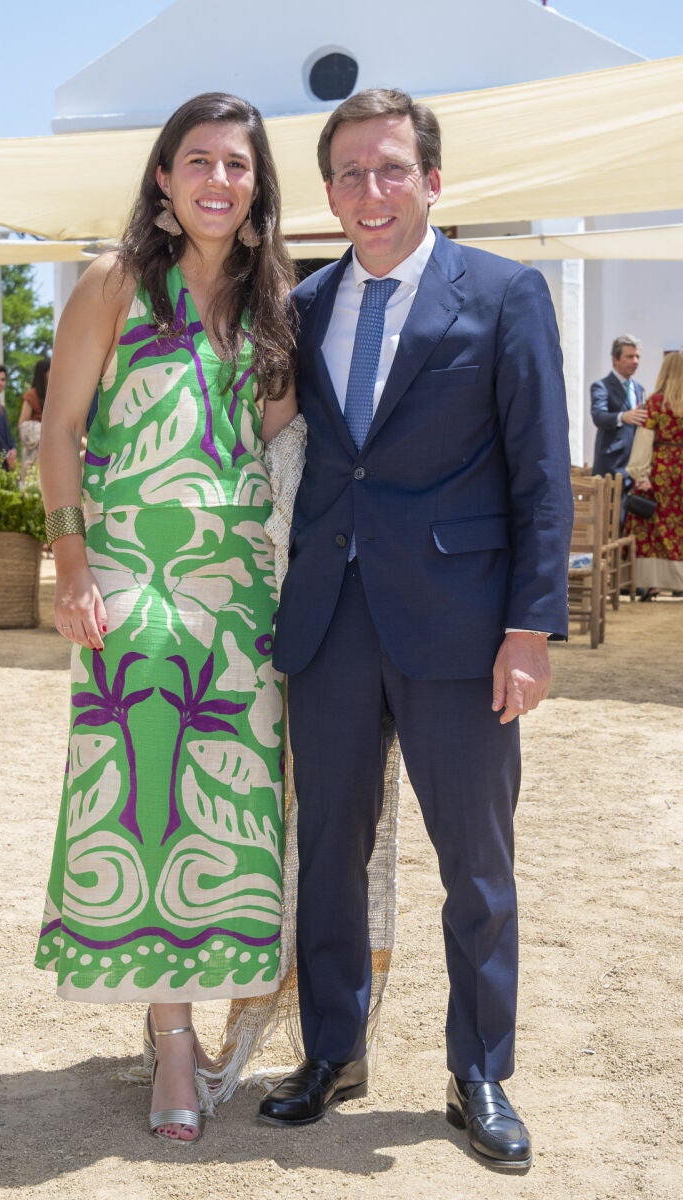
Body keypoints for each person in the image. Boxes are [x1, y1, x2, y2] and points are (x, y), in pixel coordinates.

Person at [258, 89, 573, 1172]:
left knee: (474, 864)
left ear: (431, 180)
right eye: (347, 173)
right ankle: (330, 1053)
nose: (369, 191)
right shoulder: (298, 306)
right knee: (327, 854)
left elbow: (539, 476)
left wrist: (528, 626)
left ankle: (477, 1070)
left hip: (460, 629)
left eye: (389, 168)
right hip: (329, 627)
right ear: (329, 192)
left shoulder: (502, 292)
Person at [34, 92, 297, 1144]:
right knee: (140, 807)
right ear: (162, 176)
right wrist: (69, 565)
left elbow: (282, 445)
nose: (217, 181)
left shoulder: (273, 299)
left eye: (237, 165)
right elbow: (58, 433)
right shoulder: (111, 283)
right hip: (131, 573)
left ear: (254, 184)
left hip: (238, 588)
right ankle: (170, 1041)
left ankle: (216, 1008)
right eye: (198, 161)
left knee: (229, 811)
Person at [624, 350, 683, 599]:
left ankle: (653, 583)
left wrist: (640, 474)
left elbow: (644, 442)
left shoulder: (656, 403)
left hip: (661, 471)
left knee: (652, 527)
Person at [590, 336, 647, 481]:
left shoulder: (639, 389)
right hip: (611, 467)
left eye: (637, 357)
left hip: (634, 468)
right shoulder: (601, 387)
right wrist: (623, 417)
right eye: (629, 356)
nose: (635, 361)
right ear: (615, 359)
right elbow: (598, 416)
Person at [18, 355, 50, 479]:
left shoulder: (55, 394)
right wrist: (46, 430)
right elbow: (23, 423)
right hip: (35, 450)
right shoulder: (31, 395)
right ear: (43, 373)